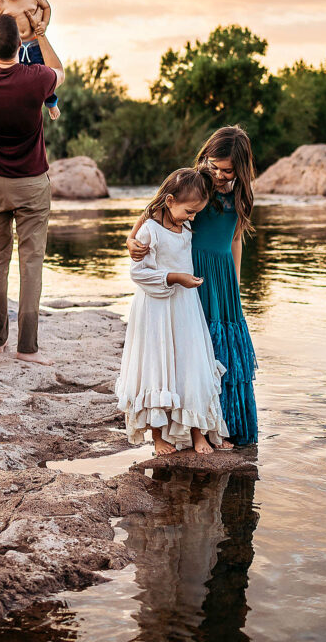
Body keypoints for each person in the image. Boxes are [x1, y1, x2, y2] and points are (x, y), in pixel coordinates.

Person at [128, 126, 258, 446]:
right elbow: (155, 209)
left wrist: (236, 284)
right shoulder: (199, 184)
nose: (218, 174)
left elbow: (237, 237)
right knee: (195, 349)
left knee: (228, 350)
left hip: (223, 277)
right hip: (192, 269)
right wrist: (132, 238)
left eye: (226, 170)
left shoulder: (242, 192)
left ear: (240, 168)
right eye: (214, 165)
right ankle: (192, 427)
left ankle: (228, 427)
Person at [0, 11, 65, 365]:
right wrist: (39, 36)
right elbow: (61, 72)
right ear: (20, 44)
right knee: (31, 263)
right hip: (31, 184)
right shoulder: (37, 78)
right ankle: (28, 349)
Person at [116, 168, 231, 456]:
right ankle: (158, 437)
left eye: (196, 213)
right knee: (157, 368)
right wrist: (174, 278)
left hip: (185, 308)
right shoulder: (150, 230)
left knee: (192, 366)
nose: (193, 218)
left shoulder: (187, 226)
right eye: (190, 211)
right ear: (169, 200)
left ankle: (198, 433)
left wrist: (183, 281)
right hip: (155, 309)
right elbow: (138, 273)